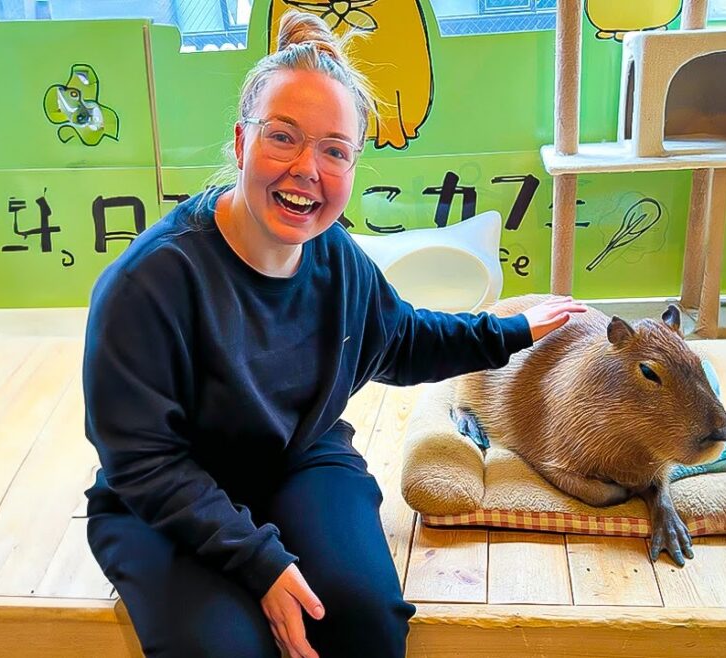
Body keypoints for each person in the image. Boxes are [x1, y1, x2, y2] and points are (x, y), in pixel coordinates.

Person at [82, 10, 587, 658]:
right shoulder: (148, 284)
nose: (306, 169)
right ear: (241, 143)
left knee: (365, 618)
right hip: (162, 497)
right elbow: (144, 463)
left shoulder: (338, 259)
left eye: (334, 150)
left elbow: (400, 339)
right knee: (227, 649)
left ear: (352, 165)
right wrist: (260, 564)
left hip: (295, 458)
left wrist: (511, 331)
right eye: (283, 138)